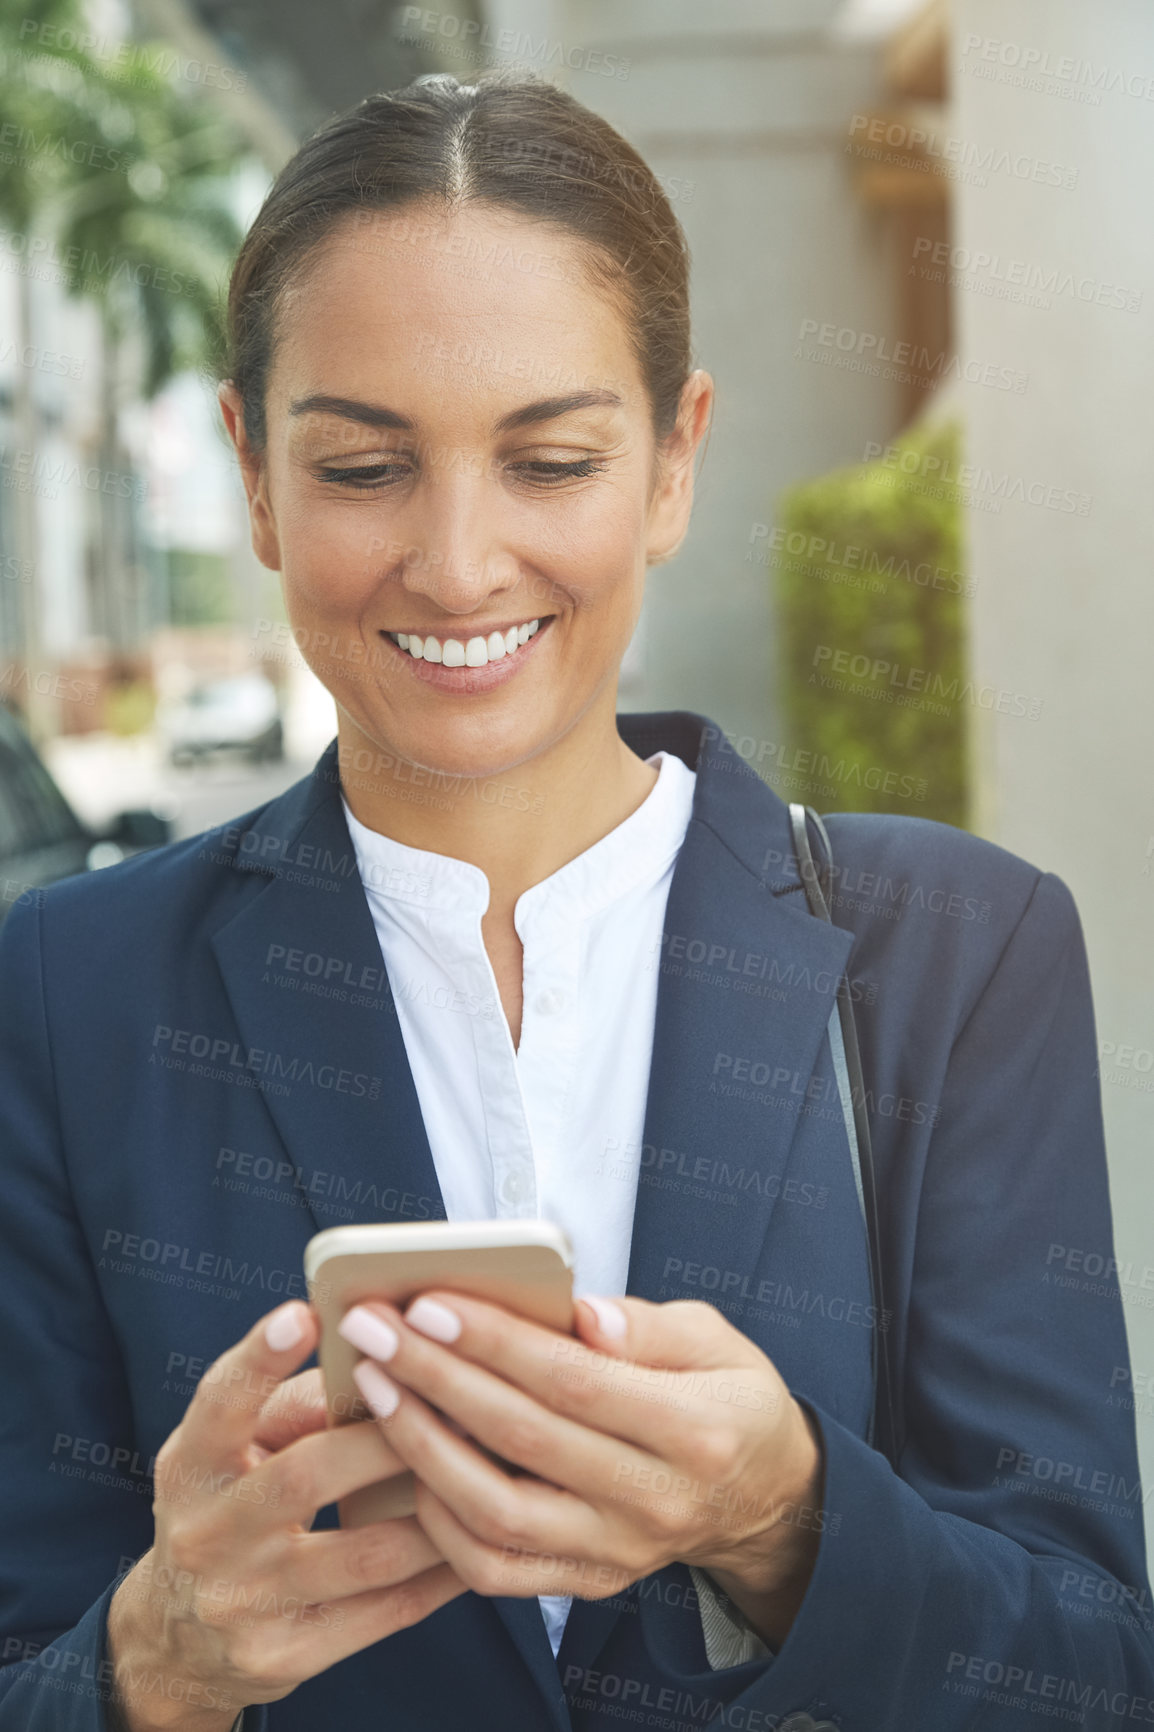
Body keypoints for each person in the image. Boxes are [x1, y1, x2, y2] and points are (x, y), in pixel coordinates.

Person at [0, 68, 1151, 1732]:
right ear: (253, 476)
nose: (459, 563)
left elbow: (1094, 1674)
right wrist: (150, 1660)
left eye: (548, 460)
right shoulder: (65, 991)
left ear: (672, 462)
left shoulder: (956, 957)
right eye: (363, 468)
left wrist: (784, 1523)